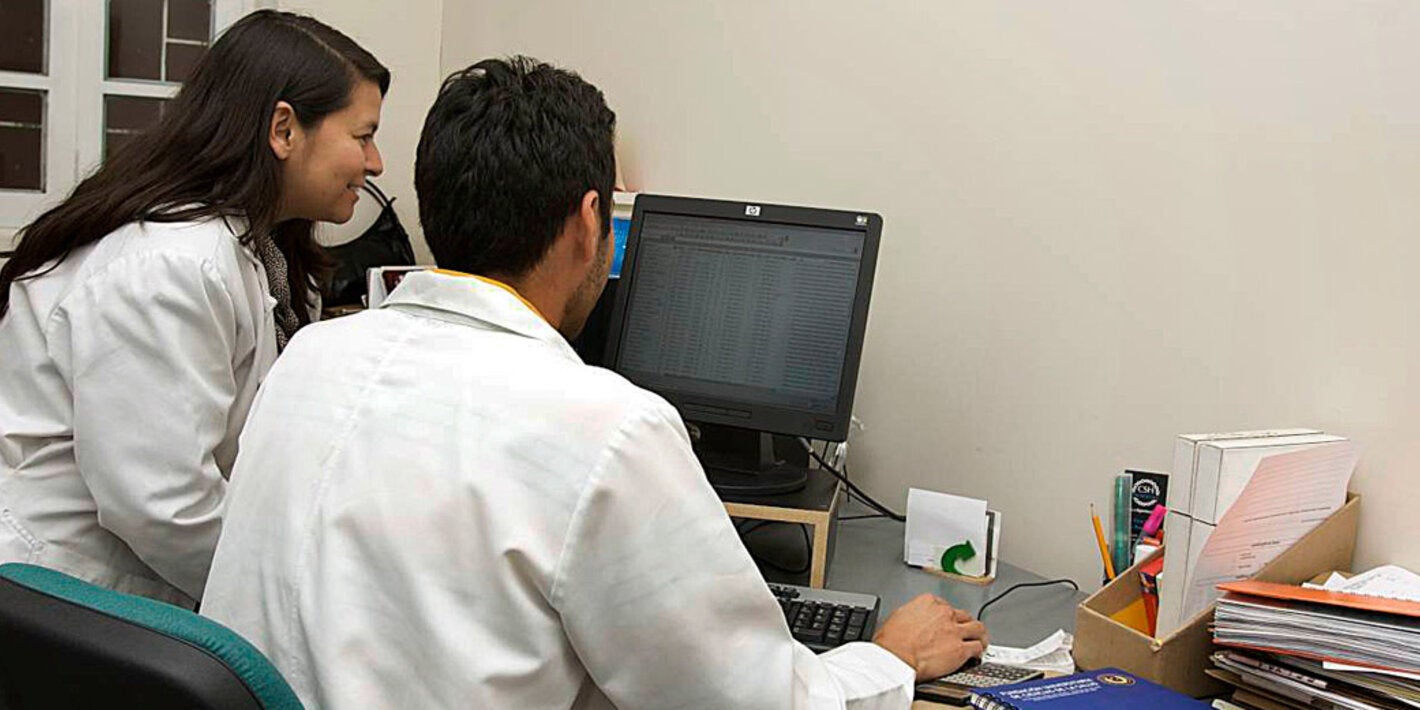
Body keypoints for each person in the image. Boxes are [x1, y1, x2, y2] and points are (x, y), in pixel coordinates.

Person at [201, 56, 987, 708]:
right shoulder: (606, 428)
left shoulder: (313, 355)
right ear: (589, 221)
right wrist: (889, 659)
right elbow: (748, 701)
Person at [0, 10, 388, 607]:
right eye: (362, 136)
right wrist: (294, 608)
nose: (375, 163)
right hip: (62, 591)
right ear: (283, 130)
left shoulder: (254, 249)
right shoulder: (172, 265)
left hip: (116, 583)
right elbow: (162, 506)